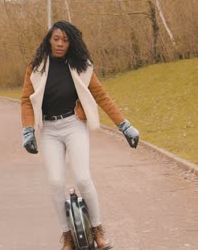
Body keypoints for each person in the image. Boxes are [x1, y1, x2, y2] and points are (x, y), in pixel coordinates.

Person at [20, 21, 139, 250]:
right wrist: (28, 130)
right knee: (55, 183)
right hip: (49, 130)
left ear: (71, 43)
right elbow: (26, 99)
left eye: (65, 40)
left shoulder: (81, 65)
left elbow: (102, 96)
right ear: (49, 40)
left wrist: (125, 126)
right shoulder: (36, 67)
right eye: (56, 39)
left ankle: (97, 229)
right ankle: (66, 235)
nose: (60, 44)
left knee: (83, 179)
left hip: (74, 124)